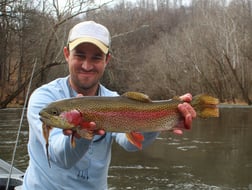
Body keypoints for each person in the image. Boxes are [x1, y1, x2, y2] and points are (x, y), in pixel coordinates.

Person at [22, 21, 196, 189]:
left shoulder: (113, 99)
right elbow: (60, 157)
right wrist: (82, 134)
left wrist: (164, 120)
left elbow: (129, 144)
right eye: (80, 55)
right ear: (67, 54)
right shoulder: (44, 98)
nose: (87, 65)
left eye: (96, 58)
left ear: (107, 60)